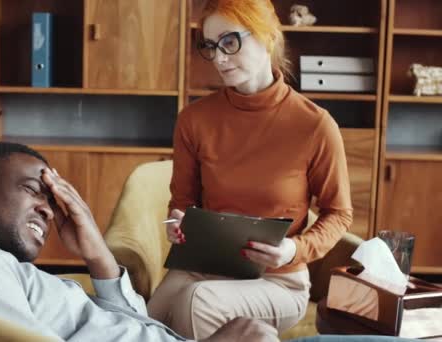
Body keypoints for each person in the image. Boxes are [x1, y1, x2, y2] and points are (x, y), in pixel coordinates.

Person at [0, 142, 280, 342]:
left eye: (52, 201)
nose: (47, 211)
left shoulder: (3, 269)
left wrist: (96, 254)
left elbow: (137, 326)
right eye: (32, 190)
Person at [147, 0, 353, 340]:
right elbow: (181, 202)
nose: (219, 58)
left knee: (197, 303)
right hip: (205, 269)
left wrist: (294, 249)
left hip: (280, 281)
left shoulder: (315, 125)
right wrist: (176, 222)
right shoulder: (194, 120)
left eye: (230, 42)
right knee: (140, 321)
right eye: (211, 46)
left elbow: (339, 214)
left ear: (268, 37)